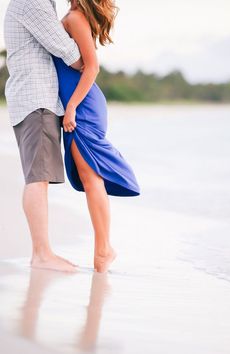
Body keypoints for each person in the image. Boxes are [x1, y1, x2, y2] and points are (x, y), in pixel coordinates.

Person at [52, 0, 140, 273]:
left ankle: (104, 249)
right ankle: (104, 249)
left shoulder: (76, 17)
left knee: (92, 178)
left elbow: (92, 67)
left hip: (82, 105)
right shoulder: (73, 15)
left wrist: (72, 107)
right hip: (79, 103)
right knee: (91, 178)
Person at [3, 0, 84, 273]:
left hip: (36, 99)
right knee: (37, 178)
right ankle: (41, 253)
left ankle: (42, 252)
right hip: (36, 100)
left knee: (39, 178)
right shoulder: (32, 2)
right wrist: (89, 59)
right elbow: (67, 51)